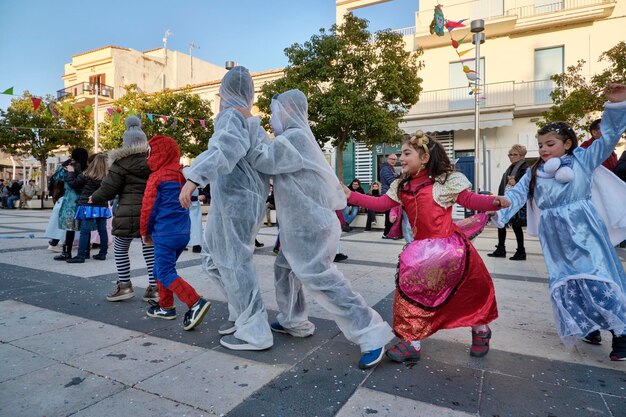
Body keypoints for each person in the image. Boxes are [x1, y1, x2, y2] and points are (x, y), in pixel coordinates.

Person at [240, 89, 394, 369]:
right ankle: (293, 320)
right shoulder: (294, 139)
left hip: (309, 227)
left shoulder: (295, 138)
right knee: (285, 270)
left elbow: (264, 159)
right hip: (300, 225)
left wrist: (249, 122)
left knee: (323, 280)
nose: (272, 119)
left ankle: (371, 332)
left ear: (287, 111)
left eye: (274, 113)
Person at [345, 131, 509, 363]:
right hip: (421, 253)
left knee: (468, 292)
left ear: (424, 158)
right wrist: (351, 195)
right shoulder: (402, 185)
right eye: (401, 153)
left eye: (406, 153)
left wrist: (492, 201)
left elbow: (469, 199)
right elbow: (381, 204)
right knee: (409, 294)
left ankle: (481, 329)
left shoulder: (445, 181)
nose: (400, 158)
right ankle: (412, 342)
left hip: (451, 251)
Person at [493, 83, 626, 361]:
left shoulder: (582, 160)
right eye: (540, 144)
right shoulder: (535, 171)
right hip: (555, 234)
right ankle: (589, 324)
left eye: (550, 144)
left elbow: (609, 137)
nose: (543, 149)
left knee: (598, 277)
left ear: (567, 144)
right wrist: (496, 206)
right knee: (568, 281)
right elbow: (516, 195)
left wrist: (615, 105)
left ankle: (622, 333)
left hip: (584, 228)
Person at [179, 66, 275, 350]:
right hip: (242, 202)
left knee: (234, 262)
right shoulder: (253, 123)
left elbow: (225, 149)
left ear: (225, 92)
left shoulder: (232, 116)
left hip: (236, 202)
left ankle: (255, 329)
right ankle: (242, 313)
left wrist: (193, 179)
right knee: (214, 258)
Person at [142, 135, 211, 330]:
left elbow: (148, 208)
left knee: (164, 272)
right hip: (182, 233)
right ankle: (165, 306)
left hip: (164, 233)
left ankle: (195, 302)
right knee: (161, 269)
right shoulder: (183, 174)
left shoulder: (156, 177)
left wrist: (145, 232)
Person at [90, 116, 157, 302]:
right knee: (150, 249)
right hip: (151, 213)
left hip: (126, 214)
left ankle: (125, 286)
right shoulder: (154, 162)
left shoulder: (120, 164)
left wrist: (94, 198)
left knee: (120, 248)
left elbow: (108, 190)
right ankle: (154, 288)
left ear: (125, 144)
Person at [66, 153, 111, 263]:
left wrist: (71, 172)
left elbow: (73, 184)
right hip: (102, 205)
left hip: (88, 205)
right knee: (102, 230)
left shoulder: (87, 174)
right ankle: (102, 254)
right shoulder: (109, 176)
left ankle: (81, 256)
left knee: (84, 231)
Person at [488, 144, 529, 261]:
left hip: (516, 202)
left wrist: (515, 183)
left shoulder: (525, 169)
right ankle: (501, 248)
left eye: (514, 154)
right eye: (510, 154)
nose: (511, 157)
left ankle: (521, 251)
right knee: (500, 224)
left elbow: (526, 185)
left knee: (516, 226)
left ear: (522, 156)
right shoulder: (511, 167)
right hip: (506, 199)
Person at [53, 148, 89, 261]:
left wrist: (63, 166)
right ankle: (85, 251)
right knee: (84, 227)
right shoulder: (87, 168)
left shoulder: (70, 166)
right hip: (84, 199)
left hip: (71, 199)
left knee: (70, 227)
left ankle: (66, 252)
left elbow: (57, 176)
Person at [380, 153, 398, 238]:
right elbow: (392, 181)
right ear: (387, 159)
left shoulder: (391, 168)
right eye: (391, 159)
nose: (393, 161)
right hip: (388, 194)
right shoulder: (385, 169)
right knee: (389, 214)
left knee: (390, 214)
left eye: (395, 159)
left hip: (390, 194)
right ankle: (387, 233)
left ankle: (388, 233)